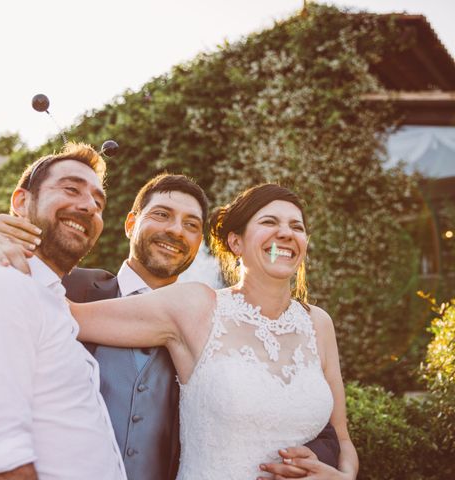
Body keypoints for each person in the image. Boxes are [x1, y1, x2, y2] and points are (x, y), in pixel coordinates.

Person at [0, 175, 341, 479]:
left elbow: (301, 416)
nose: (176, 230)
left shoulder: (207, 313)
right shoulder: (63, 289)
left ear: (200, 244)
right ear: (130, 224)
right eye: (162, 215)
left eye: (192, 225)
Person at [70, 183, 359, 480]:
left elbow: (343, 439)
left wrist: (343, 476)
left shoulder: (319, 324)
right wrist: (21, 245)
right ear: (236, 242)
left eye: (296, 226)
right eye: (269, 222)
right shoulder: (198, 305)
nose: (286, 233)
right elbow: (70, 316)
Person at [0, 143, 126, 480]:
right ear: (21, 202)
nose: (89, 206)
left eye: (98, 201)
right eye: (71, 189)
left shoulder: (47, 299)